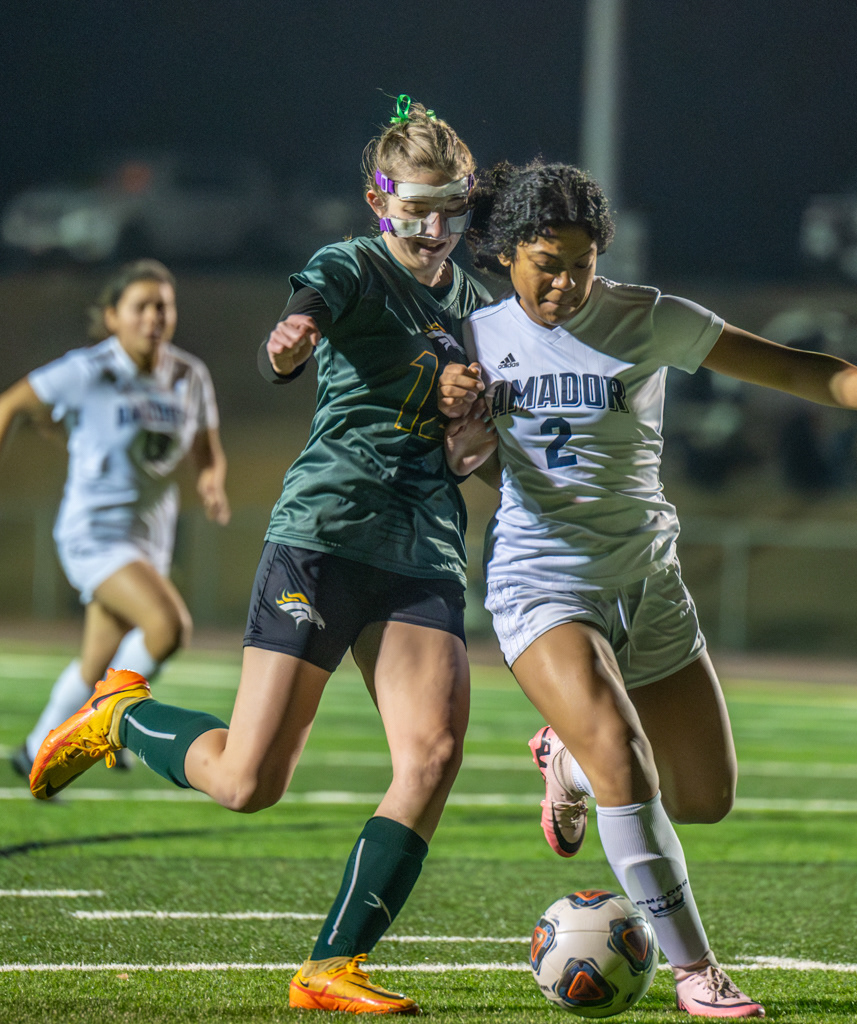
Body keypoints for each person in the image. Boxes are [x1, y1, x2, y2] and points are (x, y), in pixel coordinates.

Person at [439, 161, 857, 1019]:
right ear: (507, 255)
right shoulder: (472, 339)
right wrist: (462, 433)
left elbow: (798, 369)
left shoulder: (647, 317)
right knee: (628, 762)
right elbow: (458, 462)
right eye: (547, 262)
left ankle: (564, 760)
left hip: (649, 582)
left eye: (581, 263)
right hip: (541, 580)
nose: (565, 282)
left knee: (703, 796)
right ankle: (697, 970)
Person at [28, 97, 492, 1016]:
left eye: (451, 211)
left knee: (433, 754)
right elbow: (300, 326)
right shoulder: (352, 265)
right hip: (323, 536)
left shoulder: (477, 304)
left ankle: (333, 965)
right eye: (416, 212)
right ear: (379, 202)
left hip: (424, 546)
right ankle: (122, 716)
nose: (435, 230)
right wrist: (292, 338)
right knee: (247, 783)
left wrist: (469, 418)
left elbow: (471, 459)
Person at [0, 259, 230, 780]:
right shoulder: (88, 370)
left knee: (96, 663)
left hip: (150, 540)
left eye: (163, 306)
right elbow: (10, 404)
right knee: (167, 627)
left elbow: (206, 449)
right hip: (93, 535)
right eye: (141, 306)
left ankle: (36, 749)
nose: (154, 317)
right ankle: (111, 721)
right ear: (112, 317)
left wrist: (210, 480)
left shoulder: (189, 375)